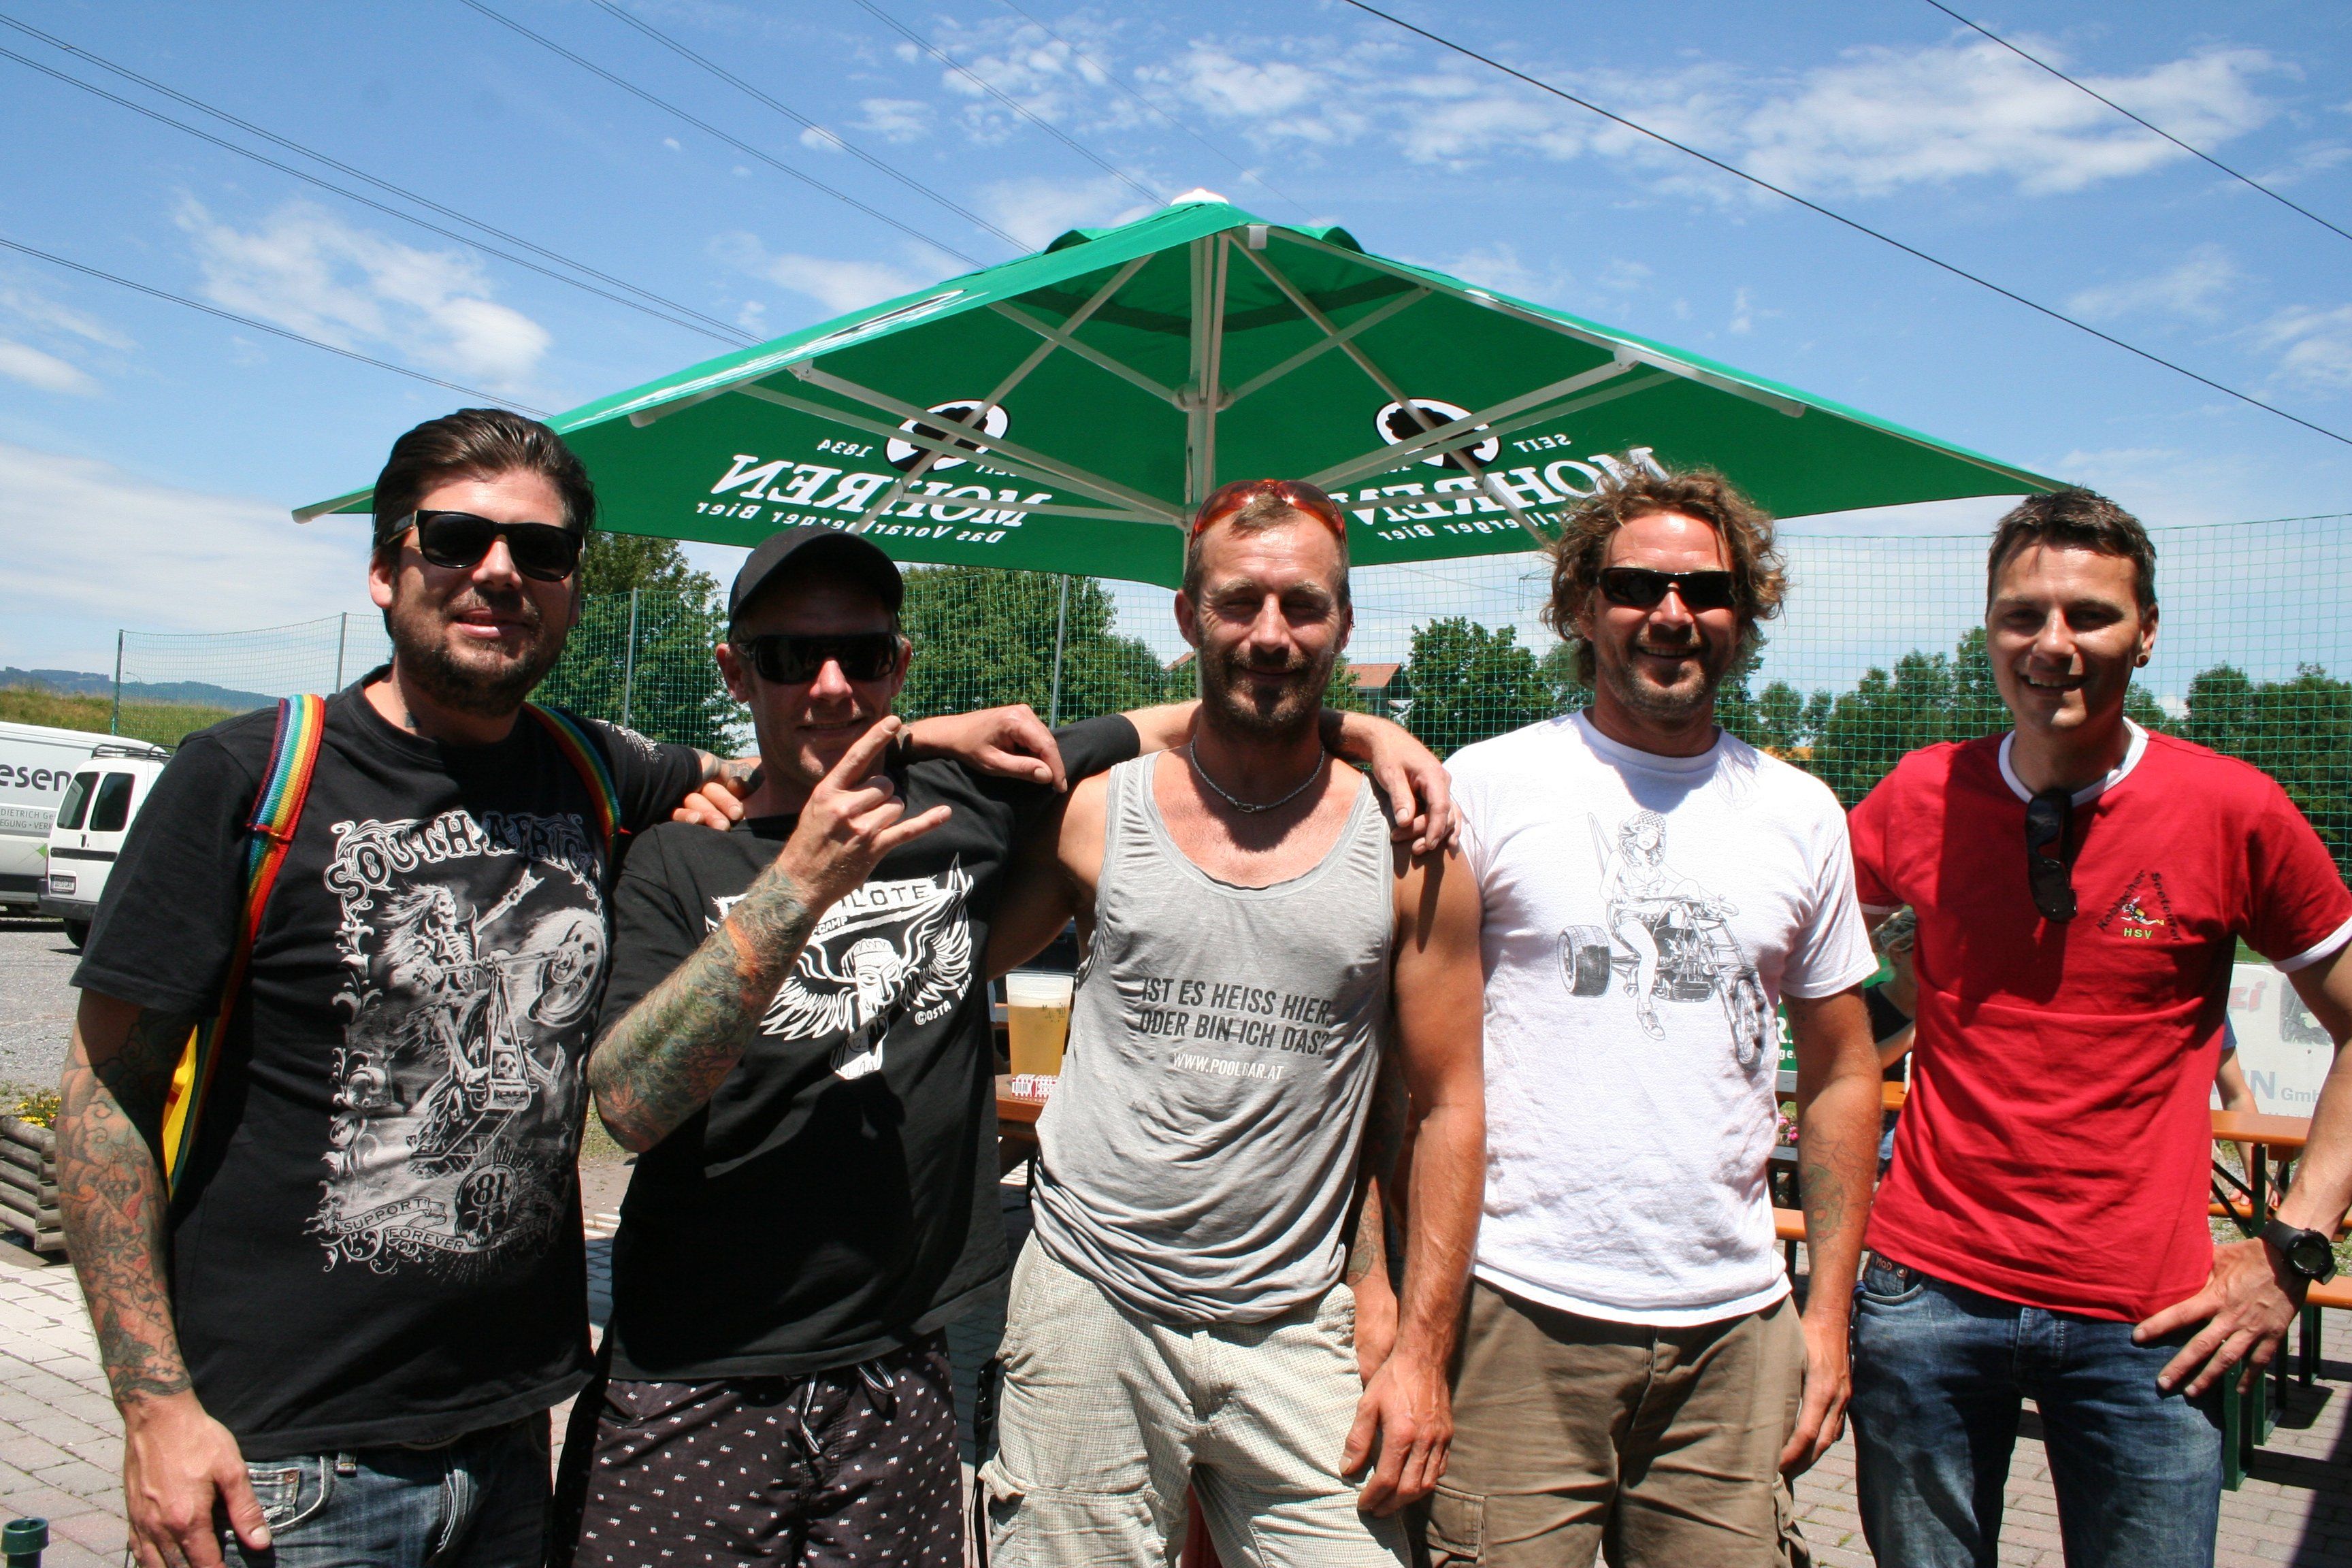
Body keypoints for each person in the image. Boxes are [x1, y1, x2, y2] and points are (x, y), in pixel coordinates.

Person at [51, 410, 1036, 1568]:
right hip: (282, 1456)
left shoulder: (593, 771)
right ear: (384, 568)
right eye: (455, 538)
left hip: (511, 1433)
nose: (500, 572)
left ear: (570, 588)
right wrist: (154, 1405)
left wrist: (924, 728)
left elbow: (792, 752)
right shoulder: (247, 775)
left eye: (542, 550)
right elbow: (106, 1094)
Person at [565, 521, 1455, 1568]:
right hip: (693, 1373)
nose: (831, 685)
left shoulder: (969, 804)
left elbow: (1186, 714)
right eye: (791, 657)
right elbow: (628, 1108)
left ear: (901, 666)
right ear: (736, 672)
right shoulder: (677, 855)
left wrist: (1364, 730)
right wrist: (796, 885)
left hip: (901, 1372)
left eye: (863, 654)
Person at [976, 478, 1487, 1567]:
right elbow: (950, 955)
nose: (1270, 634)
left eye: (1303, 607)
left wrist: (1421, 1353)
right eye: (1239, 603)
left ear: (1342, 624)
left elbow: (1449, 1106)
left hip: (1299, 1323)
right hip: (1090, 1304)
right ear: (1188, 616)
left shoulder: (1410, 848)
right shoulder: (1096, 813)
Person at [1845, 488, 2352, 1568]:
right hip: (1926, 1293)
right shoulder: (1919, 794)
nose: (2053, 644)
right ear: (1990, 629)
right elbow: (1812, 977)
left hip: (2152, 1318)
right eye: (2023, 615)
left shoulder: (2233, 809)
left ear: (2147, 631)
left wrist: (2293, 1247)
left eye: (2091, 615)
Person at [1429, 461, 1884, 1567]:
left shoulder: (1799, 812)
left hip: (1732, 1336)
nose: (1671, 614)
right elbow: (1415, 1072)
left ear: (1744, 616)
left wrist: (1827, 1314)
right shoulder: (1487, 787)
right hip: (1514, 1314)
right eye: (1634, 586)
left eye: (1707, 591)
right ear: (1582, 607)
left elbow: (1840, 1071)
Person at [1865, 907, 1918, 1164]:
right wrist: (1914, 1031)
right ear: (1899, 954)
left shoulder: (1945, 1005)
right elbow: (1863, 1064)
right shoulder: (1867, 1004)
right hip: (1878, 1120)